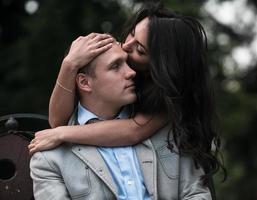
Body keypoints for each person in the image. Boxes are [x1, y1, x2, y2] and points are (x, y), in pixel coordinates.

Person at [29, 1, 225, 190]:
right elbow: (57, 120)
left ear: (160, 66)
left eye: (140, 49)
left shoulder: (171, 96)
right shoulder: (123, 75)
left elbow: (133, 131)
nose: (125, 46)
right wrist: (69, 64)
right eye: (131, 34)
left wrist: (62, 134)